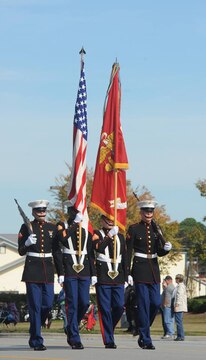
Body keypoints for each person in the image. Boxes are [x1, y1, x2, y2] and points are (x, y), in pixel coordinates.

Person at [126, 200, 172, 350]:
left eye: (151, 211)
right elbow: (128, 252)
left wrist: (166, 249)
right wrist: (127, 272)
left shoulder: (156, 229)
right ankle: (145, 339)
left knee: (155, 304)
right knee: (144, 305)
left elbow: (158, 251)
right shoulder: (134, 229)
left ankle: (141, 327)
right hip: (139, 270)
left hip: (153, 270)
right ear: (141, 213)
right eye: (146, 212)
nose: (148, 214)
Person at [18, 200, 62, 351]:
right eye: (38, 211)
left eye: (43, 211)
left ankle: (34, 328)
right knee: (35, 307)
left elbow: (56, 251)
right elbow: (21, 251)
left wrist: (60, 272)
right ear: (33, 212)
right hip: (32, 270)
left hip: (48, 270)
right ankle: (37, 340)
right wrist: (27, 243)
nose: (41, 213)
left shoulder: (52, 227)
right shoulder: (26, 227)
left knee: (48, 304)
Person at [56, 203, 96, 350]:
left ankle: (71, 326)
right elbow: (64, 240)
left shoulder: (85, 231)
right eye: (76, 212)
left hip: (84, 270)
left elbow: (90, 254)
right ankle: (74, 337)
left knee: (84, 303)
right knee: (72, 304)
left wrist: (94, 273)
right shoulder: (62, 226)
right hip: (70, 270)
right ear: (70, 213)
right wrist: (60, 272)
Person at [92, 214, 128, 349]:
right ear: (102, 221)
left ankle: (108, 328)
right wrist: (109, 237)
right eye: (107, 220)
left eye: (113, 220)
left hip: (118, 275)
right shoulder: (97, 233)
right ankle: (108, 339)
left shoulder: (120, 236)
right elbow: (99, 248)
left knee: (119, 306)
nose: (111, 222)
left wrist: (127, 275)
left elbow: (124, 257)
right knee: (105, 309)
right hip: (103, 275)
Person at [173, 274, 188, 341]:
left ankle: (180, 336)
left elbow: (179, 296)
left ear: (179, 279)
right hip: (179, 306)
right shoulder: (179, 286)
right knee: (179, 321)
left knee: (178, 321)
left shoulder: (180, 286)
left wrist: (177, 305)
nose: (175, 279)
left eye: (176, 278)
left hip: (179, 306)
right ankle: (181, 336)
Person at [161, 275, 175, 339]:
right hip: (171, 305)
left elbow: (167, 297)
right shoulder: (173, 287)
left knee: (167, 320)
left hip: (167, 305)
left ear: (168, 280)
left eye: (165, 280)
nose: (164, 282)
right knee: (171, 320)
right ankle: (171, 332)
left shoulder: (168, 288)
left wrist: (164, 304)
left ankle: (169, 333)